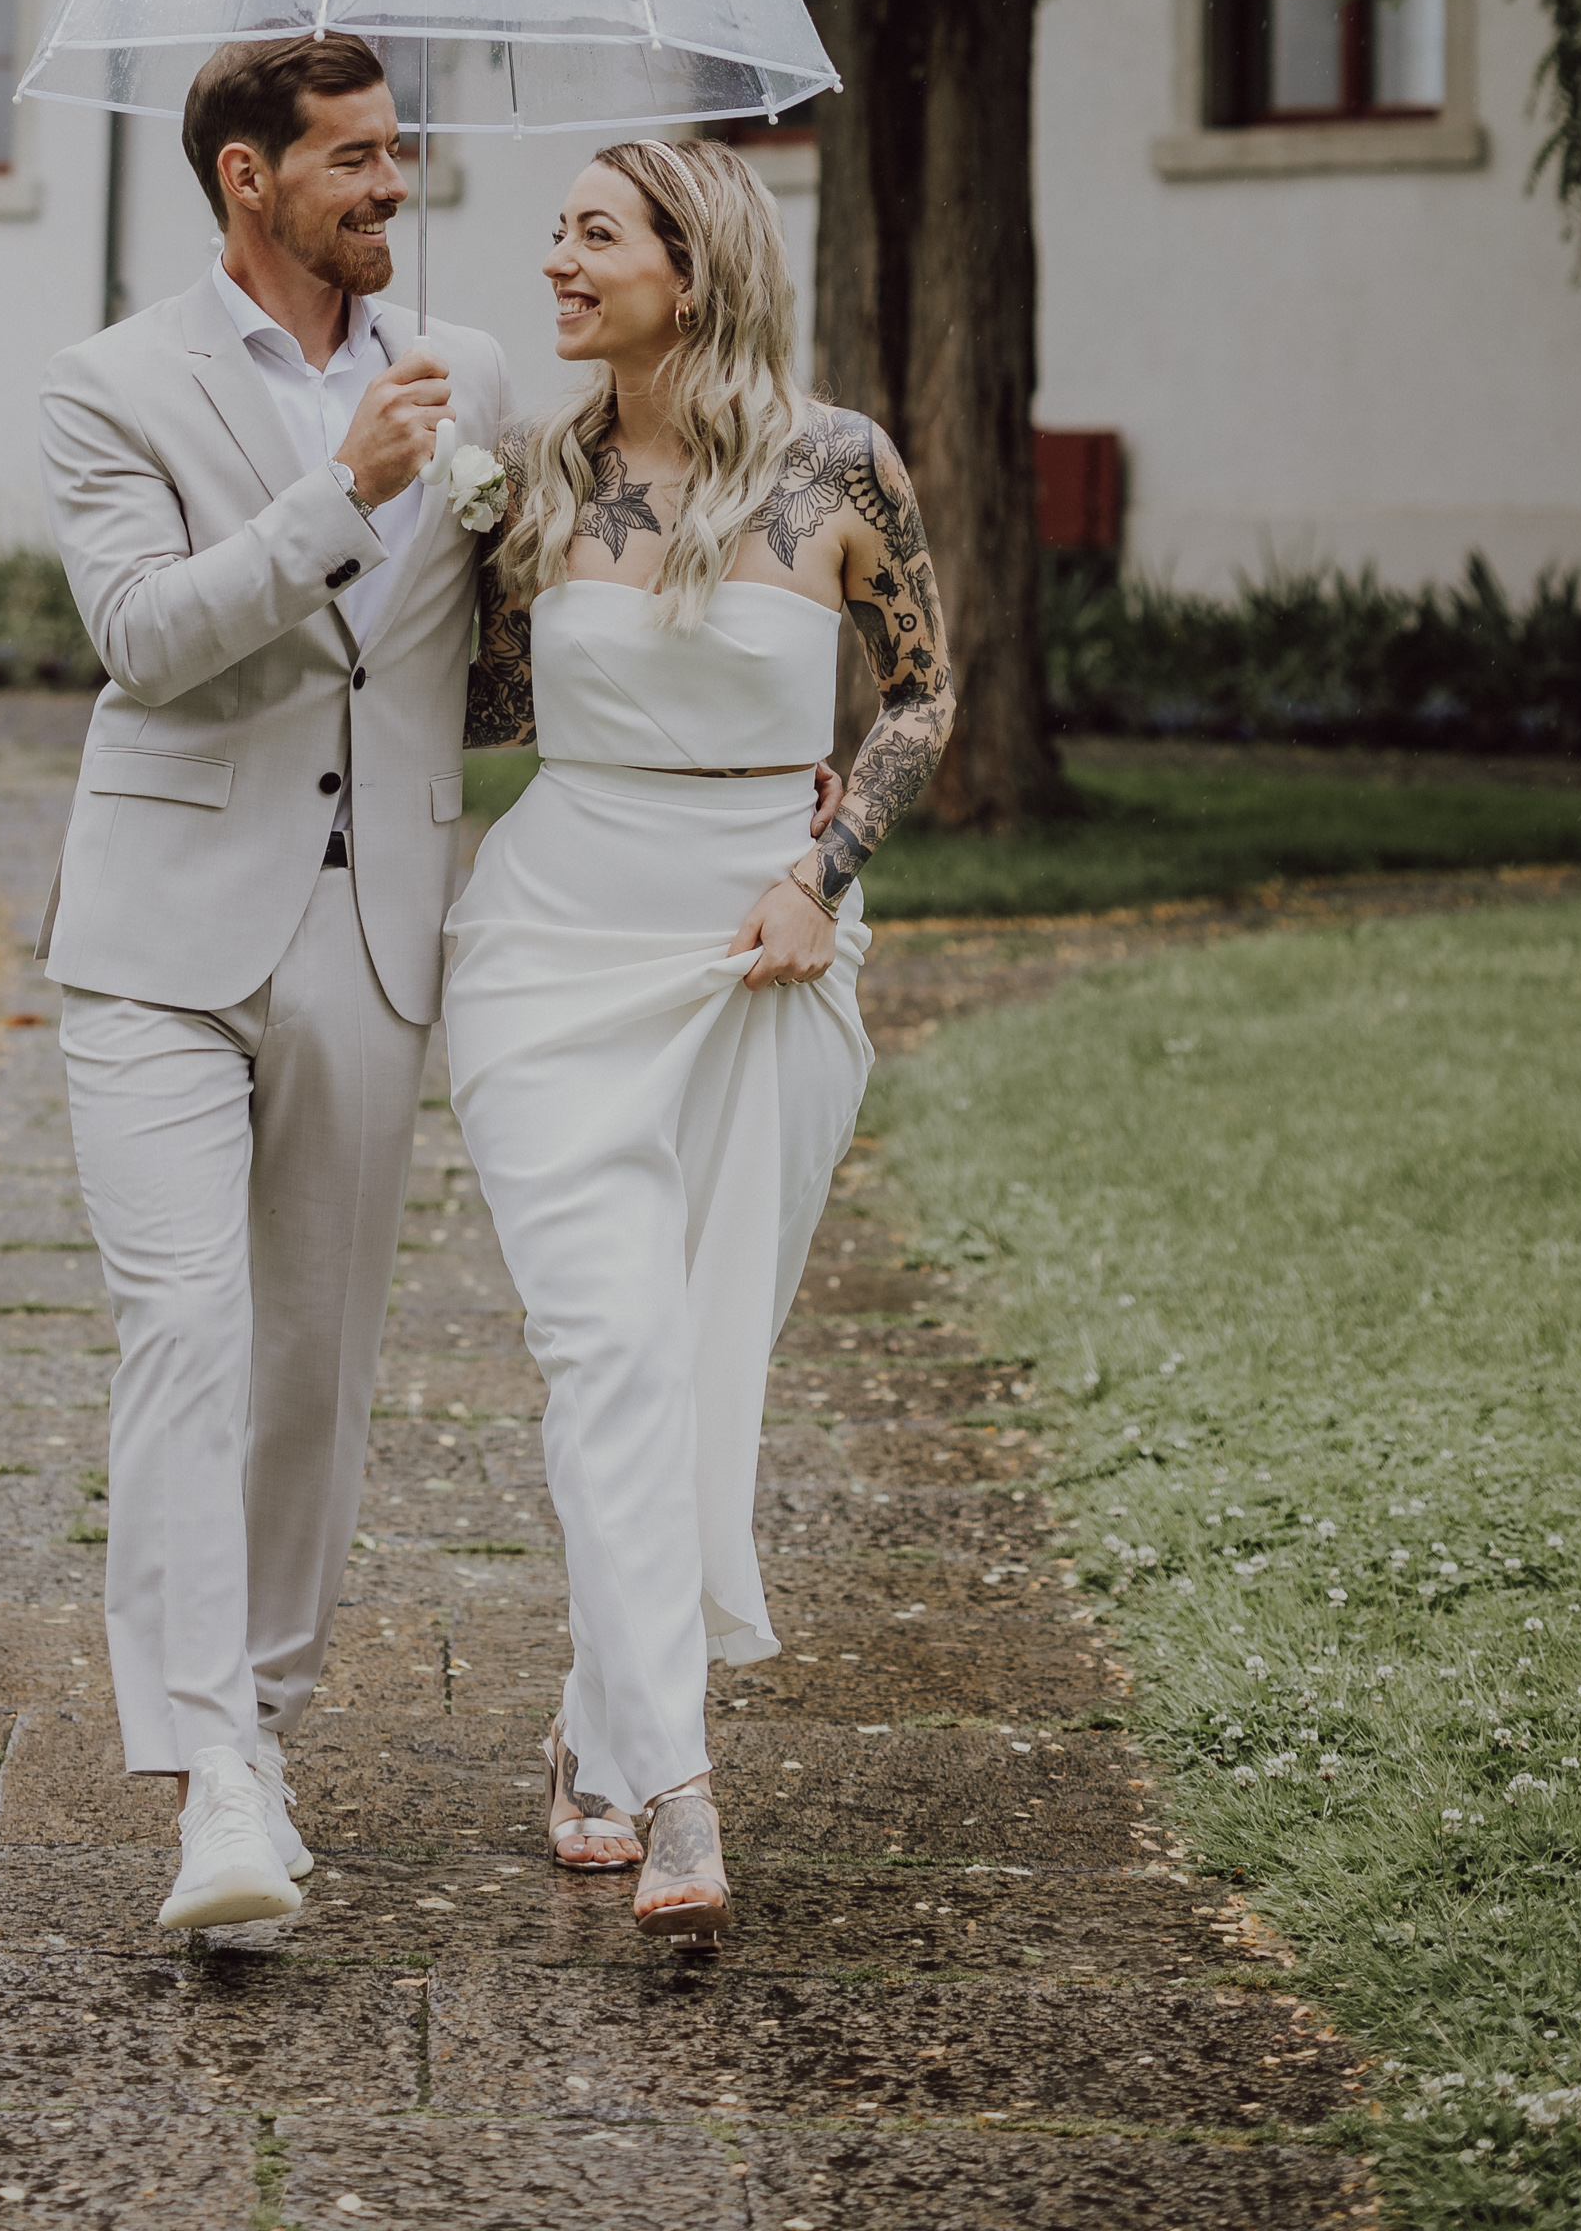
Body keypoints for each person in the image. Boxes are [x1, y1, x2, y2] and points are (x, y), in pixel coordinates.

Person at [447, 137, 955, 1940]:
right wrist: (429, 535)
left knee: (700, 1354)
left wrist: (824, 866)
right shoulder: (535, 479)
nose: (557, 261)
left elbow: (924, 690)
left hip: (759, 948)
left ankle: (595, 1730)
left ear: (694, 261)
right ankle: (677, 1782)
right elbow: (491, 714)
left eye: (595, 234)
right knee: (612, 1352)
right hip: (553, 945)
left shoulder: (839, 466)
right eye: (558, 233)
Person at [36, 32, 512, 1935]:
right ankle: (209, 1769)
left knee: (315, 1360)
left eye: (401, 155)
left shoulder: (467, 371)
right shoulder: (109, 384)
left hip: (375, 918)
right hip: (160, 927)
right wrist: (338, 488)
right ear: (250, 178)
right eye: (356, 160)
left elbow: (511, 632)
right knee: (187, 1331)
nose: (393, 186)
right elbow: (145, 635)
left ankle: (270, 1720)